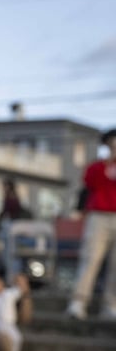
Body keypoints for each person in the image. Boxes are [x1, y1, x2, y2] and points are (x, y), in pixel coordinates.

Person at [66, 129, 116, 321]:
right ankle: (78, 302)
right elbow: (88, 184)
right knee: (90, 259)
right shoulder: (96, 167)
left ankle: (111, 305)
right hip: (98, 216)